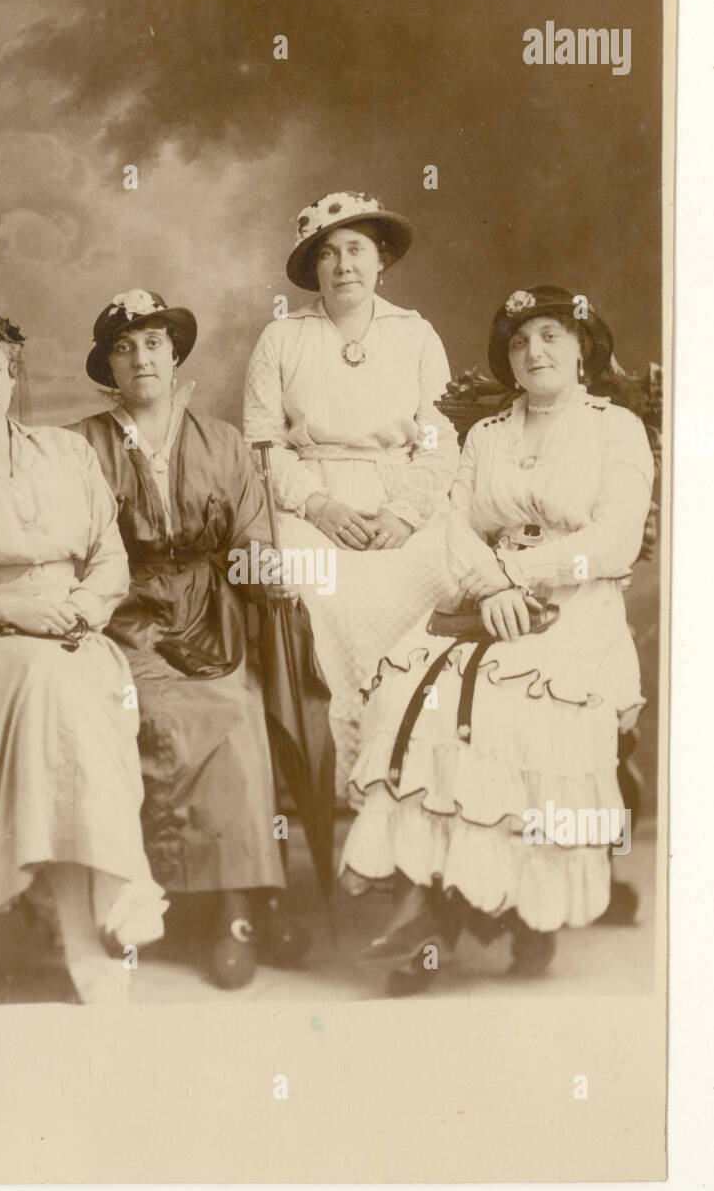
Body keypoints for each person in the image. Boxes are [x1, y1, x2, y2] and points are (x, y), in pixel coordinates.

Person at [339, 286, 655, 993]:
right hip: (485, 600)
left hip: (576, 603)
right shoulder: (484, 436)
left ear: (582, 350)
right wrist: (491, 586)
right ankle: (427, 907)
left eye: (549, 336)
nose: (533, 352)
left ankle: (526, 908)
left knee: (518, 713)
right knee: (405, 697)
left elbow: (611, 541)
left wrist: (520, 573)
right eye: (517, 342)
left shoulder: (615, 429)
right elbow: (453, 523)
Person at [0, 307, 168, 1006]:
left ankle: (83, 905)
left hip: (72, 630)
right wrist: (13, 611)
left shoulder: (65, 453)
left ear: (12, 375)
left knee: (67, 685)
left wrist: (77, 612)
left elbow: (109, 562)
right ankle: (98, 915)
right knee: (52, 684)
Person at [71, 288, 308, 989]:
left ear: (175, 355)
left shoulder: (224, 441)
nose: (140, 357)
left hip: (212, 613)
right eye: (124, 347)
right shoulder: (81, 445)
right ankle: (164, 904)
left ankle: (241, 906)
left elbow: (250, 536)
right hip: (128, 612)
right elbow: (74, 544)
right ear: (108, 367)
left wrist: (267, 577)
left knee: (237, 712)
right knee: (153, 715)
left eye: (152, 343)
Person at [243, 191, 459, 802]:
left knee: (443, 577)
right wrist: (320, 506)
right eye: (329, 254)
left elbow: (442, 443)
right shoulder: (282, 338)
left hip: (401, 496)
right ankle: (360, 773)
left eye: (357, 250)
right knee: (329, 594)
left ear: (380, 259)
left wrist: (404, 514)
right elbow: (263, 449)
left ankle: (421, 765)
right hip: (311, 500)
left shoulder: (415, 334)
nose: (344, 266)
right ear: (314, 267)